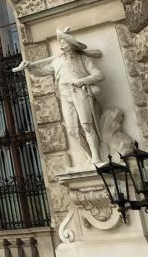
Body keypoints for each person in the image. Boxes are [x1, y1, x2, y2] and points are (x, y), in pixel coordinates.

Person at [13, 27, 105, 163]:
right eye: (61, 42)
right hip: (65, 96)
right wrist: (30, 67)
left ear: (72, 45)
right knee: (73, 130)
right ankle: (89, 156)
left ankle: (96, 156)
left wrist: (81, 81)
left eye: (64, 42)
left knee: (86, 125)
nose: (61, 44)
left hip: (79, 92)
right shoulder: (57, 61)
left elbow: (99, 75)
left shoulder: (83, 59)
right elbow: (42, 72)